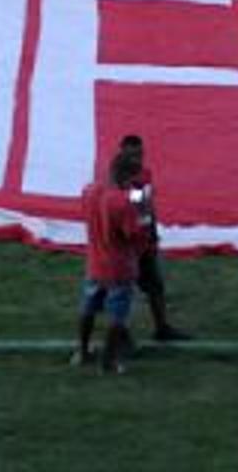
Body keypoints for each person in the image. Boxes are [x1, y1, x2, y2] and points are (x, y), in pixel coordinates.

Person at [74, 147, 148, 373]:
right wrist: (143, 210)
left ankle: (82, 351)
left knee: (88, 308)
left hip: (95, 263)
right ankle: (109, 361)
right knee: (118, 316)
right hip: (119, 267)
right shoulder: (123, 203)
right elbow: (136, 233)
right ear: (127, 177)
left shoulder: (89, 191)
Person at [116, 135, 191, 343]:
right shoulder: (116, 180)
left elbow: (146, 207)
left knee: (155, 285)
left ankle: (161, 328)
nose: (137, 159)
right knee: (124, 290)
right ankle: (121, 334)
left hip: (144, 241)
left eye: (140, 154)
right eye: (132, 155)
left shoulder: (144, 175)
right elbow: (126, 210)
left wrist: (153, 232)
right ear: (121, 154)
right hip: (127, 244)